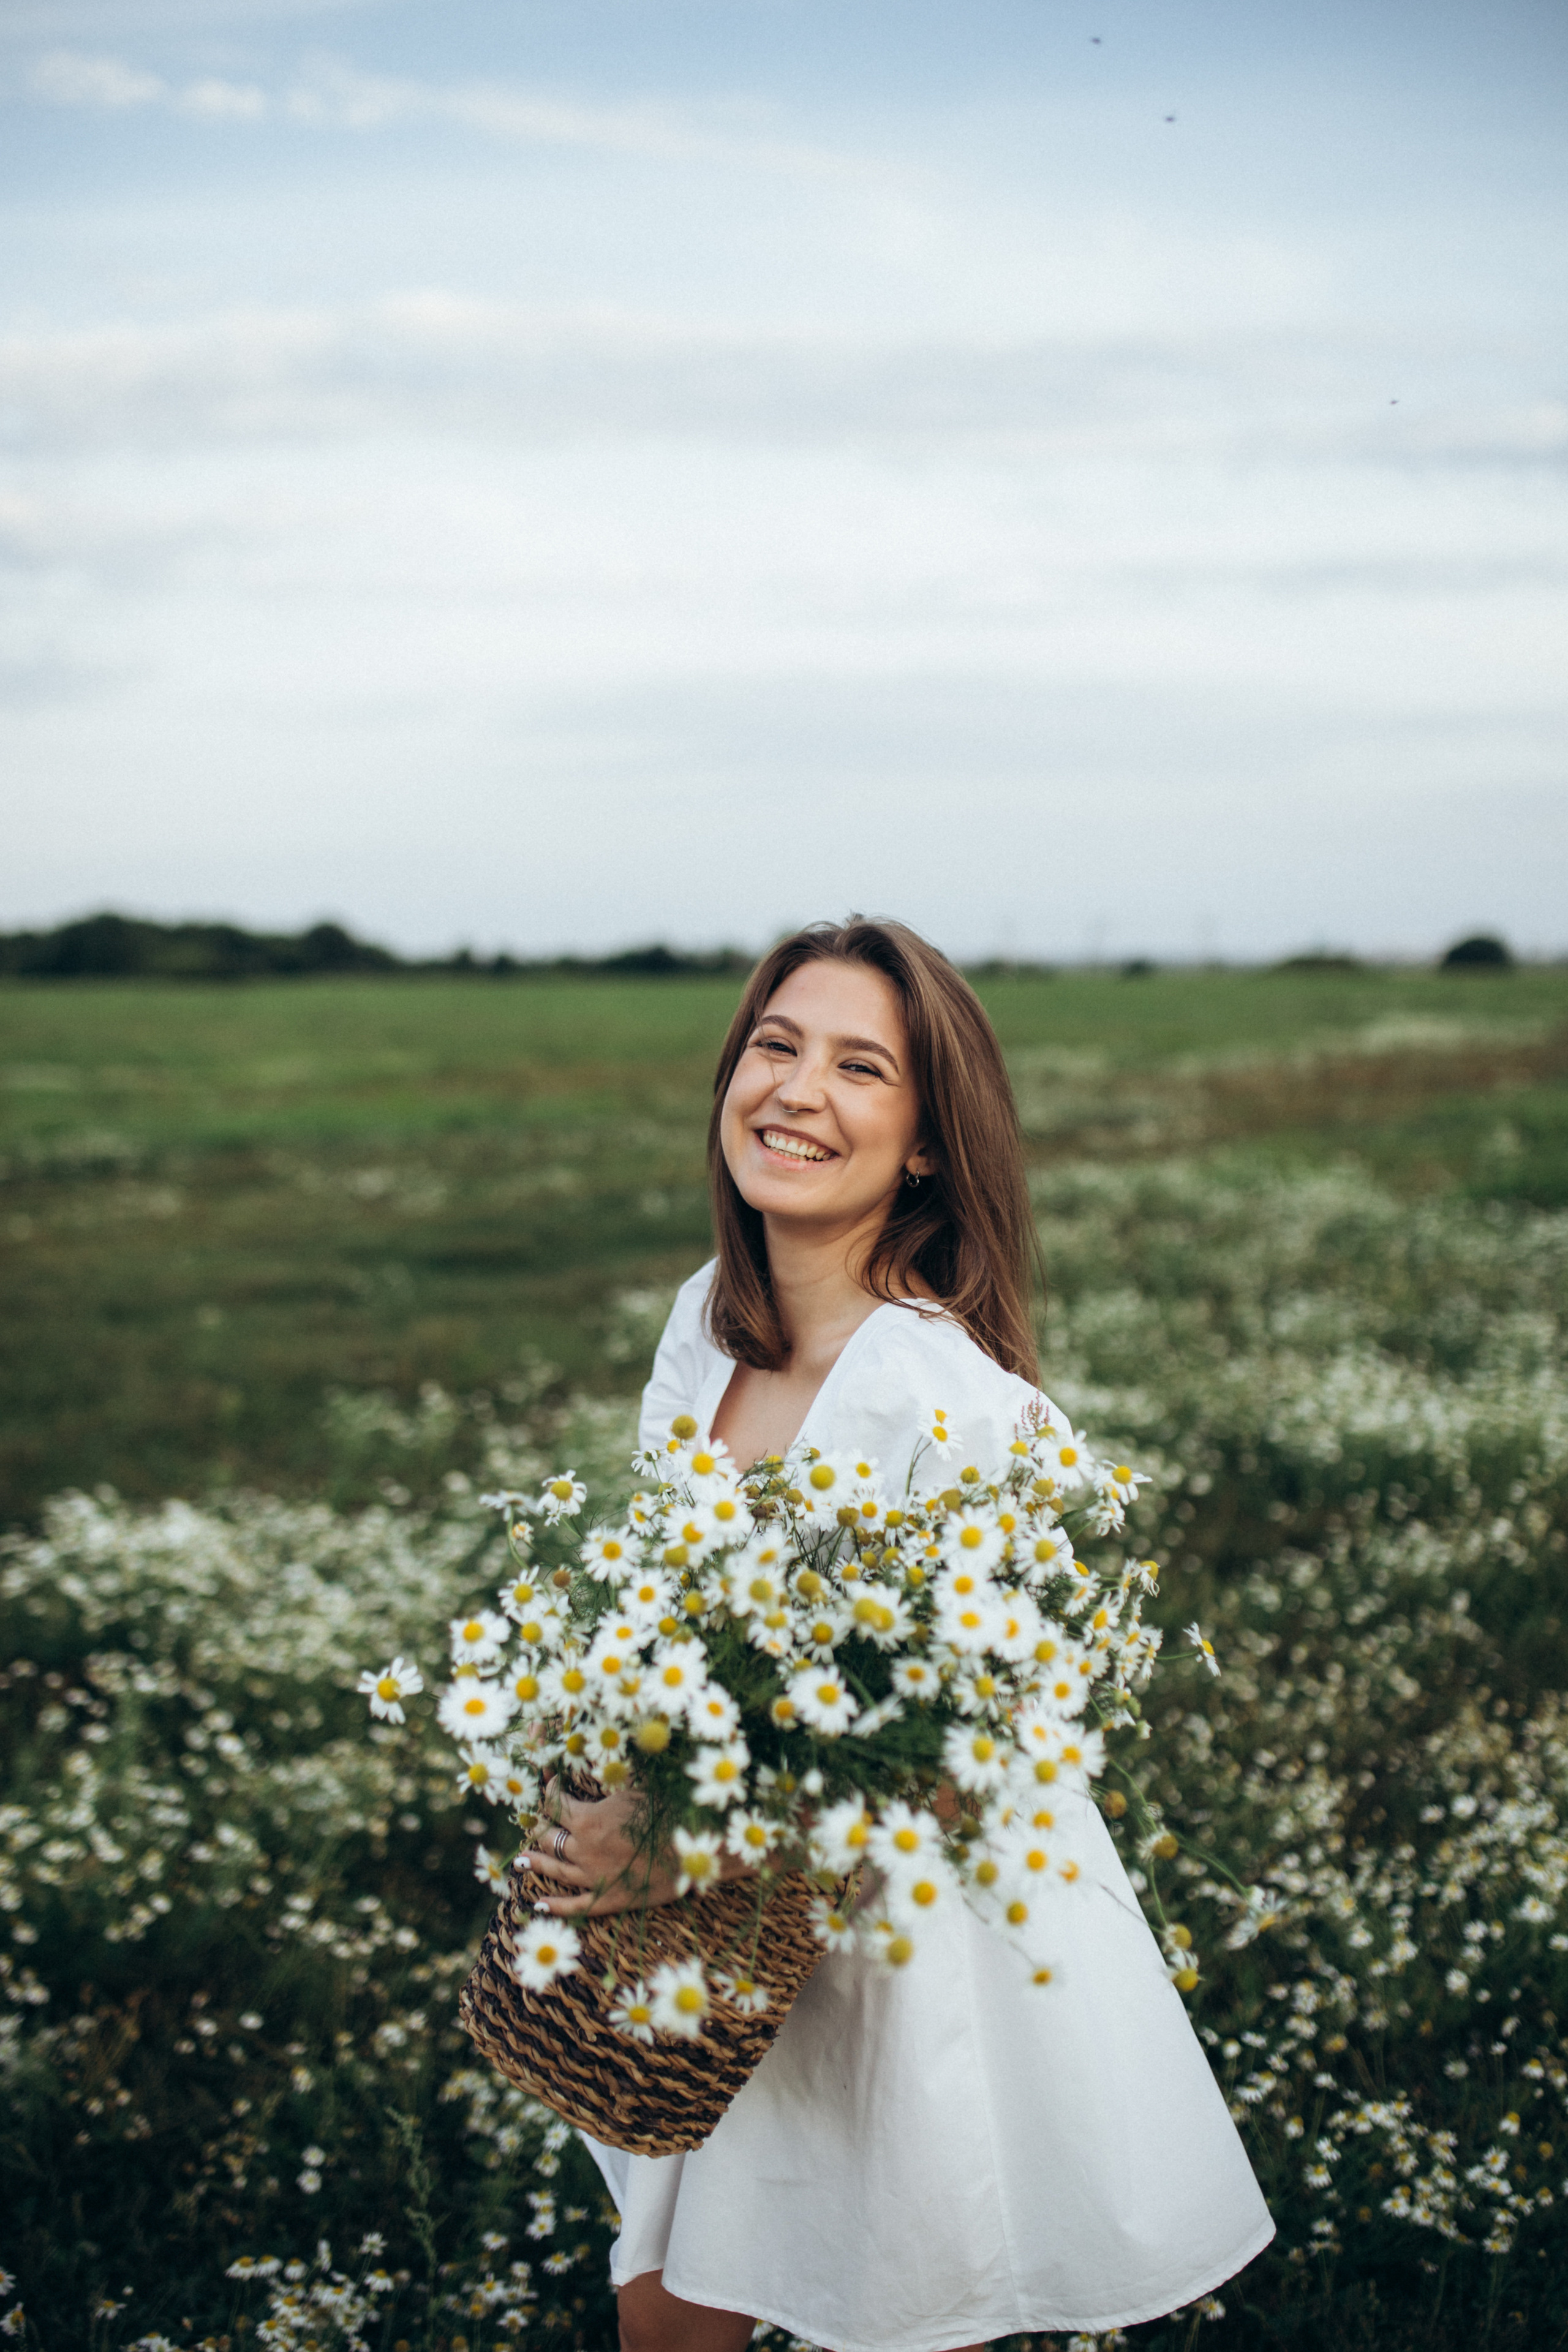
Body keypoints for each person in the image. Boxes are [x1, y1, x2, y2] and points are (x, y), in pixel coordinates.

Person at [518, 917, 1273, 2352]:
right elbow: (671, 1615)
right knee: (667, 2316)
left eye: (859, 1067)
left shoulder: (948, 1400)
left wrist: (685, 1847)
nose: (796, 1091)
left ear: (925, 1144)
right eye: (774, 1045)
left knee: (904, 2308)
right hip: (727, 1951)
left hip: (903, 1958)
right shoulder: (706, 1324)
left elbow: (983, 1760)